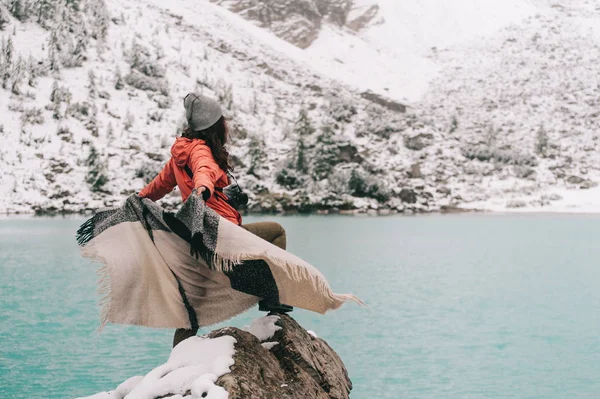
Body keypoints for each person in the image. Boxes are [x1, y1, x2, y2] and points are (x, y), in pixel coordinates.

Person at [138, 93, 291, 347]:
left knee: (191, 309)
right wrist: (203, 189)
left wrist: (138, 198)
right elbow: (204, 171)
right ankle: (267, 298)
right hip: (221, 234)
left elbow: (158, 186)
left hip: (197, 239)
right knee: (275, 232)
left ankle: (176, 363)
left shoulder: (180, 153)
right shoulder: (200, 150)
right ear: (215, 125)